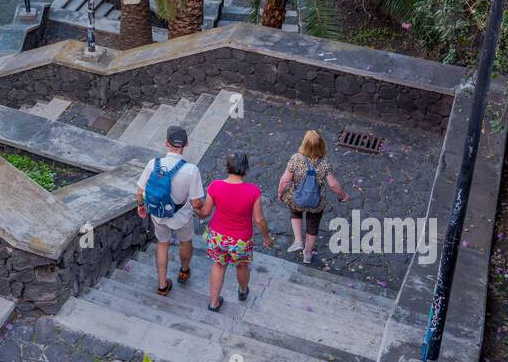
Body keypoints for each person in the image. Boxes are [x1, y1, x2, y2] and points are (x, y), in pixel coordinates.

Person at [197, 151, 273, 311]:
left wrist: (197, 208)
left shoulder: (215, 186)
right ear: (246, 169)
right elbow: (259, 219)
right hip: (240, 239)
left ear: (227, 167)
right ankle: (243, 291)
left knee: (219, 265)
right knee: (241, 266)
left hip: (218, 235)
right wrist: (266, 238)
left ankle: (213, 303)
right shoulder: (253, 191)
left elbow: (205, 212)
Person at [135, 125, 205, 295]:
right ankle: (184, 271)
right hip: (181, 217)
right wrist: (202, 210)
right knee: (185, 241)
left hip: (158, 215)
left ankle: (162, 285)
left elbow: (140, 191)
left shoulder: (153, 164)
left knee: (162, 244)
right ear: (186, 144)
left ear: (167, 143)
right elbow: (196, 203)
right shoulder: (191, 170)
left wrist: (141, 206)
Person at [277, 130, 349, 264]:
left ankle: (298, 241)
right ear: (321, 145)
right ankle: (308, 254)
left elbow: (285, 180)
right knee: (313, 225)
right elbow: (333, 184)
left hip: (296, 198)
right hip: (316, 202)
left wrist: (280, 192)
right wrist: (343, 195)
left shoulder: (296, 158)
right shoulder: (325, 163)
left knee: (295, 213)